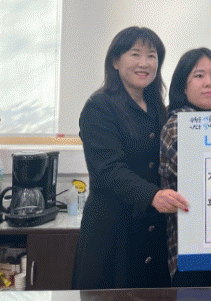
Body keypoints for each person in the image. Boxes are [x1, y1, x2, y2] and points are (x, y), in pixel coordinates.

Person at [72, 26, 171, 289]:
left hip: (152, 230)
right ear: (115, 61)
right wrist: (153, 195)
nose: (144, 63)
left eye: (151, 56)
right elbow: (109, 169)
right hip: (112, 234)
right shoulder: (99, 106)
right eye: (135, 54)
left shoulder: (157, 108)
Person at [158, 47, 211, 287]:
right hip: (194, 254)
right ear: (183, 86)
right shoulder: (180, 126)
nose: (209, 82)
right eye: (199, 75)